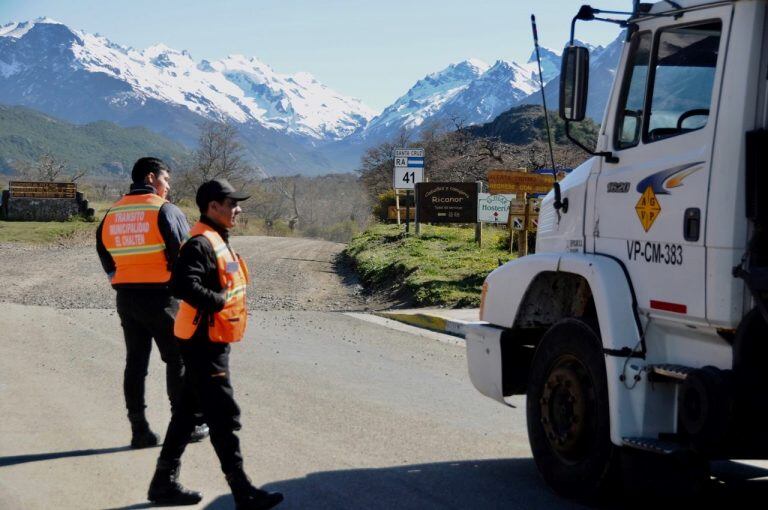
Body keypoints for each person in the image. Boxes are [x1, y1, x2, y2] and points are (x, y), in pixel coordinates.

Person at [147, 179, 283, 510]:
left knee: (186, 415)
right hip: (203, 343)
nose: (238, 208)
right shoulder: (200, 244)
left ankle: (162, 484)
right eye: (231, 203)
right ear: (213, 207)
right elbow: (181, 285)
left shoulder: (218, 239)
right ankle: (243, 492)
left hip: (209, 340)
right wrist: (218, 301)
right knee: (222, 417)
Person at [96, 157, 209, 448]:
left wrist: (121, 279)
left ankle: (139, 430)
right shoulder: (164, 210)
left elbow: (105, 255)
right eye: (166, 180)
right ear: (150, 178)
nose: (168, 187)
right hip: (162, 298)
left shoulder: (112, 212)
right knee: (178, 359)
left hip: (127, 299)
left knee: (135, 363)